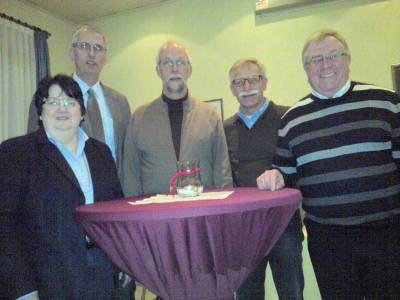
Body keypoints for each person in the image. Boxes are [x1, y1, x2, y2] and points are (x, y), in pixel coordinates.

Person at [257, 29, 400, 299]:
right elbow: (284, 173)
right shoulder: (292, 119)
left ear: (347, 59)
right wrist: (273, 176)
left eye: (333, 56)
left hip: (387, 234)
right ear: (305, 69)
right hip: (328, 240)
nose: (325, 65)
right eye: (315, 60)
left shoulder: (386, 102)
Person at [0, 75, 123, 299]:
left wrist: (126, 262)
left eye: (70, 102)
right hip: (49, 280)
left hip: (104, 271)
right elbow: (5, 227)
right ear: (40, 112)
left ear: (82, 112)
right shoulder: (15, 154)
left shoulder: (101, 153)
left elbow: (117, 213)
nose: (62, 108)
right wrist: (22, 289)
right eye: (53, 102)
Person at [224, 58, 304, 300]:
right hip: (243, 229)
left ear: (265, 83)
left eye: (254, 79)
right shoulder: (224, 129)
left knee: (291, 293)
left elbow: (302, 166)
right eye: (239, 81)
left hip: (284, 225)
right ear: (232, 89)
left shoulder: (289, 117)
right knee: (248, 295)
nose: (247, 86)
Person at [122, 41, 232, 196]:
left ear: (189, 70)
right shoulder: (139, 118)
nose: (174, 69)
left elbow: (222, 170)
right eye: (167, 63)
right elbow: (130, 175)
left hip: (202, 211)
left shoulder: (209, 115)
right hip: (155, 215)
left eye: (180, 62)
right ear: (158, 70)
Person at [27, 26, 131, 175]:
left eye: (98, 48)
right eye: (84, 46)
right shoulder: (48, 97)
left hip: (112, 189)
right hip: (66, 190)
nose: (91, 53)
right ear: (72, 53)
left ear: (105, 57)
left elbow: (127, 155)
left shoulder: (120, 102)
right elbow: (35, 149)